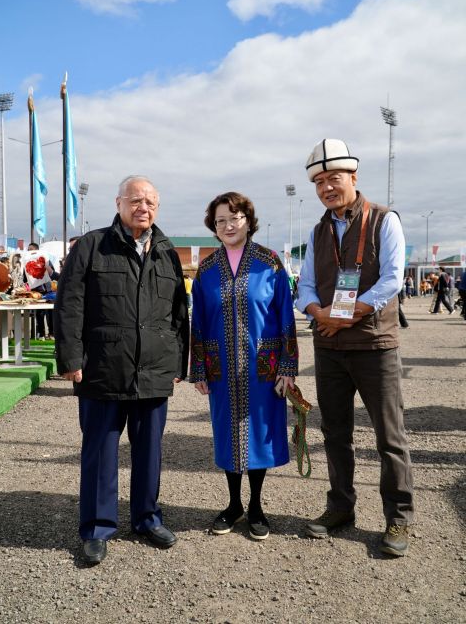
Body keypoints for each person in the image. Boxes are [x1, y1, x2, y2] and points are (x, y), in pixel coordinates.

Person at [54, 175, 189, 564]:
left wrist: (178, 362)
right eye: (135, 200)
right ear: (118, 203)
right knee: (100, 451)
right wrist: (70, 359)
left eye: (150, 201)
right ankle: (97, 527)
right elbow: (69, 306)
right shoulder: (92, 246)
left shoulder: (166, 251)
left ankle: (147, 518)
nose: (142, 207)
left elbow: (178, 314)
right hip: (102, 369)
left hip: (154, 371)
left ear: (157, 208)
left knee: (150, 450)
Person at [295, 139, 414, 557]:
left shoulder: (384, 220)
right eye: (320, 181)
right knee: (335, 432)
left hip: (374, 344)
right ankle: (341, 507)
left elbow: (392, 279)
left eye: (335, 178)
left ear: (353, 178)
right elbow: (305, 284)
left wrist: (351, 312)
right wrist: (317, 311)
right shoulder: (318, 230)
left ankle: (398, 516)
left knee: (389, 436)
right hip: (329, 346)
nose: (327, 187)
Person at [190, 192, 298, 541]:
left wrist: (287, 365)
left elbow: (285, 316)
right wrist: (200, 369)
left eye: (234, 218)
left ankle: (256, 507)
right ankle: (234, 504)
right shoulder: (206, 270)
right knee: (227, 434)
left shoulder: (271, 263)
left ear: (248, 221)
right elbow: (199, 322)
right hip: (221, 367)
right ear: (214, 227)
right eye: (220, 220)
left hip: (263, 366)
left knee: (259, 435)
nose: (228, 225)